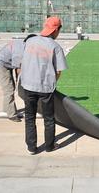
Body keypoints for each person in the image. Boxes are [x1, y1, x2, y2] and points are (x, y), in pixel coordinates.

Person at [20, 17, 68, 155]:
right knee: (48, 118)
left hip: (28, 85)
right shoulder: (55, 47)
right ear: (56, 30)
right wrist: (52, 81)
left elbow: (22, 61)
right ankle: (49, 146)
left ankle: (31, 148)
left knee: (29, 117)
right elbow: (58, 71)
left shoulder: (30, 41)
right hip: (46, 88)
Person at [0, 34, 36, 122]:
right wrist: (20, 84)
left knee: (10, 87)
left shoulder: (24, 46)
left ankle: (7, 109)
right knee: (9, 89)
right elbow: (18, 70)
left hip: (7, 62)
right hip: (2, 64)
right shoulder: (20, 52)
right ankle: (11, 115)